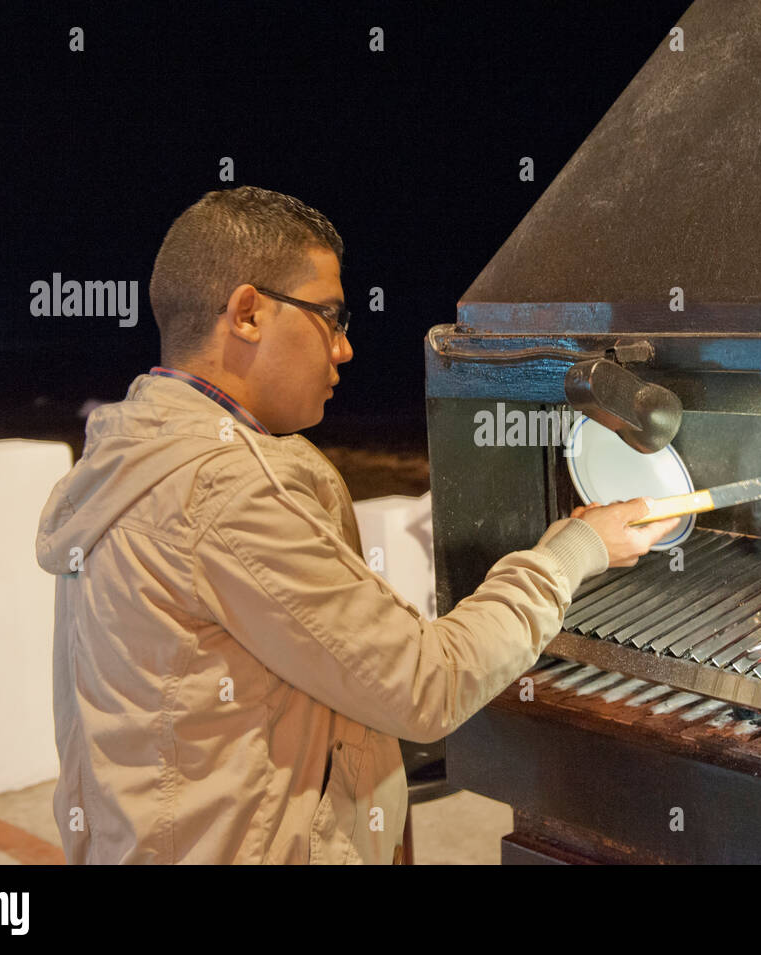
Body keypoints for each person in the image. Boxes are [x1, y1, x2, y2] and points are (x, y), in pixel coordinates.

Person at [34, 185, 679, 864]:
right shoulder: (225, 490)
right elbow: (427, 683)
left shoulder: (137, 450)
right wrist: (574, 549)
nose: (344, 349)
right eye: (331, 316)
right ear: (248, 314)